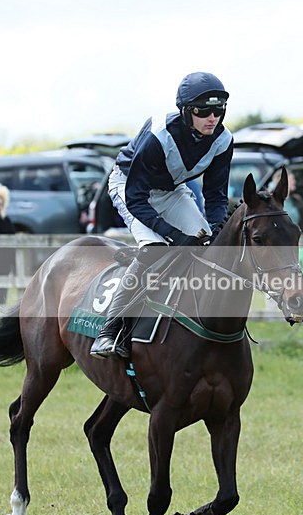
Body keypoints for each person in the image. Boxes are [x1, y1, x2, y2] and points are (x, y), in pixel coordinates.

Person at [90, 71, 233, 358]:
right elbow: (136, 198)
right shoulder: (159, 135)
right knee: (154, 251)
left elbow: (216, 195)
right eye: (203, 111)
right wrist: (175, 236)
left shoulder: (223, 140)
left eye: (218, 110)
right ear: (185, 111)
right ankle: (109, 330)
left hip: (172, 190)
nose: (212, 118)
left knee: (207, 247)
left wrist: (217, 226)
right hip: (130, 186)